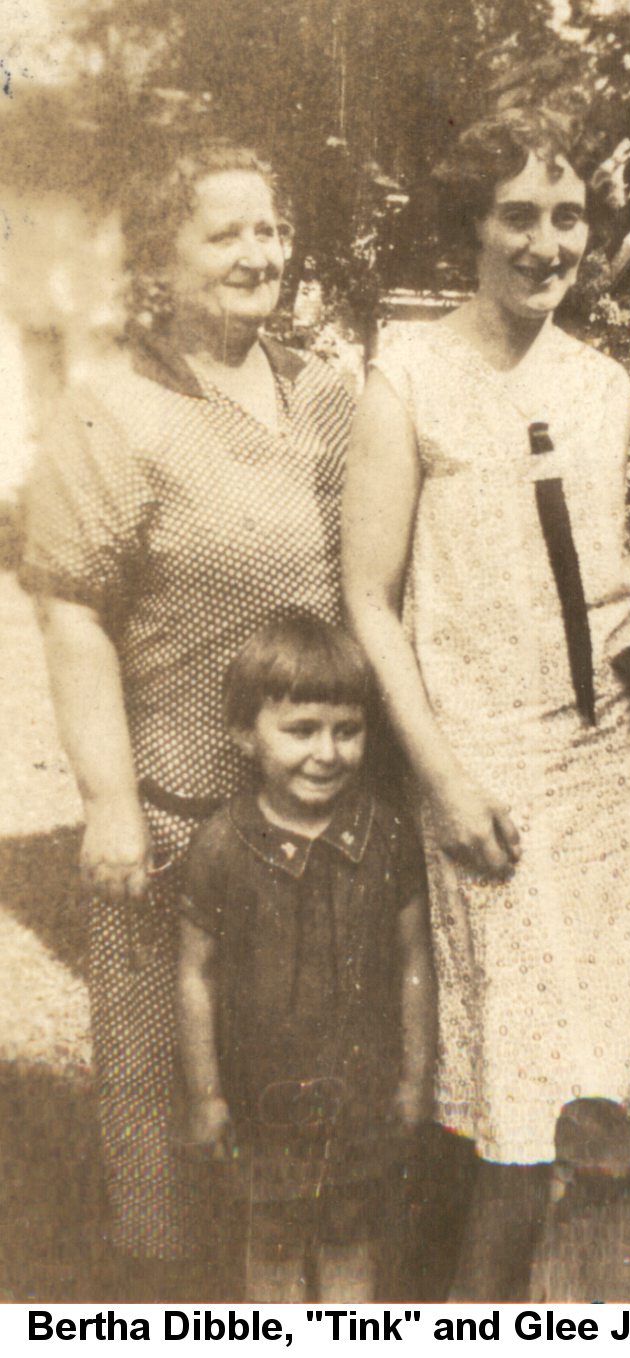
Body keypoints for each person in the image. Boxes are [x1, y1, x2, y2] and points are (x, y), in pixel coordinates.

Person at [342, 107, 630, 1300]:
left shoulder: (600, 383)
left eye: (567, 216)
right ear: (470, 221)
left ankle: (591, 1316)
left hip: (617, 768)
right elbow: (369, 599)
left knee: (610, 1099)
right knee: (521, 1118)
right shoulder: (404, 376)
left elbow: (595, 579)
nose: (546, 240)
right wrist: (444, 778)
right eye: (517, 212)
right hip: (487, 773)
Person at [19, 144, 353, 1295]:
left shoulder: (325, 390)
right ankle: (169, 1293)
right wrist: (111, 800)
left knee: (311, 1091)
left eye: (270, 229)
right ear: (162, 259)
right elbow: (70, 611)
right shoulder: (109, 407)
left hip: (316, 803)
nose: (259, 253)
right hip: (177, 812)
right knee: (166, 1088)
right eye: (225, 234)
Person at [176, 617, 436, 1302]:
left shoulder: (387, 836)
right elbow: (195, 977)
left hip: (360, 1091)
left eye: (346, 730)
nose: (327, 752)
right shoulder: (222, 847)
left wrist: (414, 1076)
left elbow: (415, 961)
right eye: (301, 730)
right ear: (244, 736)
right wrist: (207, 1096)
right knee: (273, 1241)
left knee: (352, 1235)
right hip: (261, 1097)